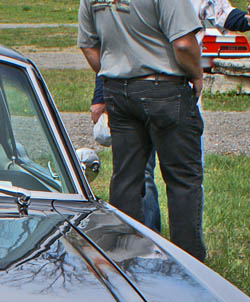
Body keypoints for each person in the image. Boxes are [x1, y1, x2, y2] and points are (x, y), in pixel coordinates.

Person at [78, 0, 207, 261]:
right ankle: (188, 260)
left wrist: (112, 70)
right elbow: (183, 43)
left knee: (126, 178)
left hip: (118, 90)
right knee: (182, 180)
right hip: (165, 87)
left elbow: (88, 45)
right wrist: (197, 74)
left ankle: (124, 255)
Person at [91, 75, 161, 232]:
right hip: (150, 91)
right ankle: (145, 232)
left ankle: (137, 232)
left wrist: (99, 97)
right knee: (139, 172)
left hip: (128, 93)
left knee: (133, 173)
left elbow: (103, 61)